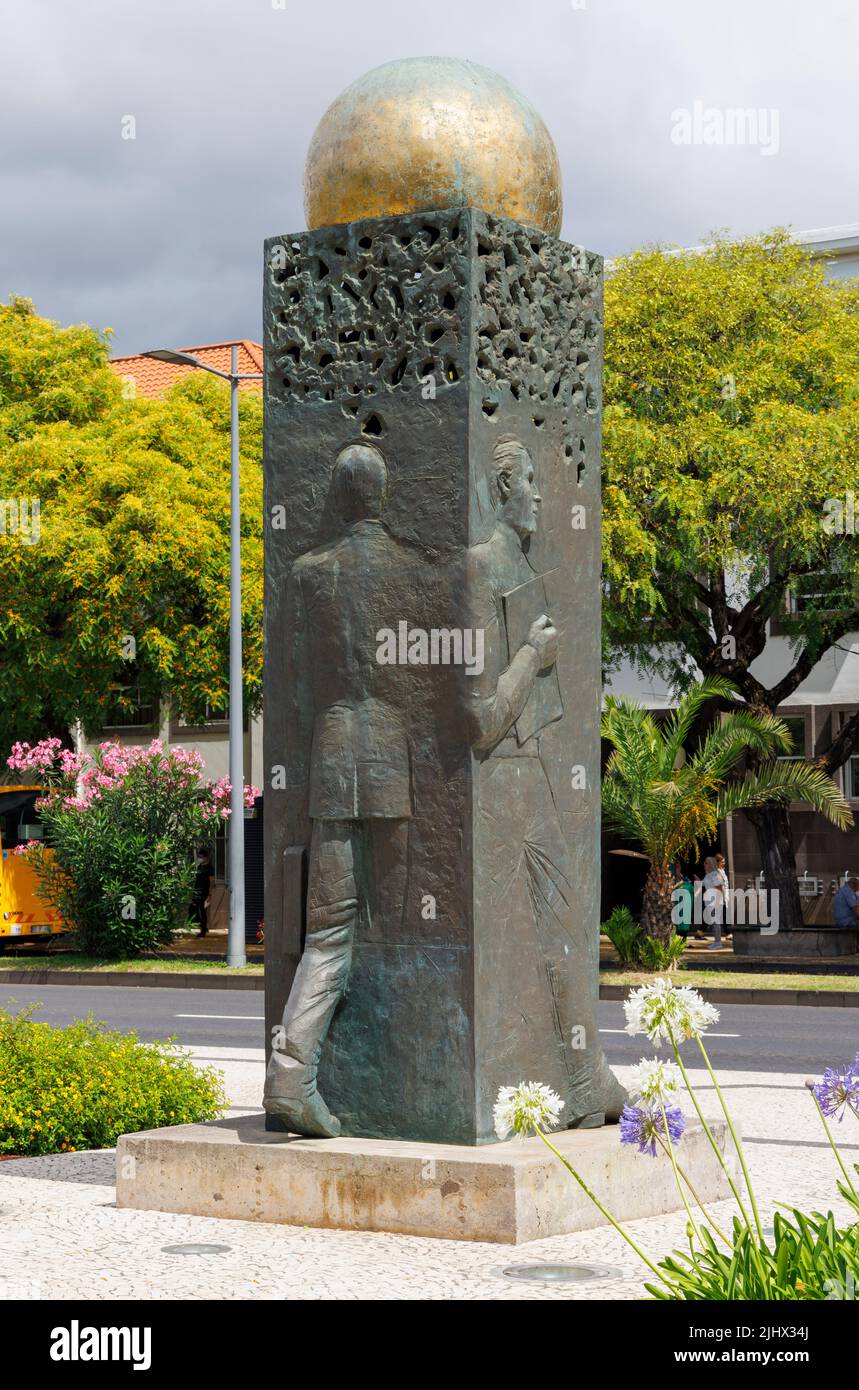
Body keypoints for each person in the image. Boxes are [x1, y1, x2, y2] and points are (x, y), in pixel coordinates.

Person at [701, 853, 731, 949]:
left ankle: (718, 943)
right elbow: (703, 885)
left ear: (710, 864)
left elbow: (719, 888)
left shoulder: (715, 875)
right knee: (715, 923)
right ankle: (716, 942)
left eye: (706, 863)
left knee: (716, 923)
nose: (704, 864)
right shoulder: (708, 875)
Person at [191, 847, 214, 937]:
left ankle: (203, 930)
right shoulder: (199, 866)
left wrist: (210, 894)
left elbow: (211, 881)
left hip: (205, 892)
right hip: (197, 892)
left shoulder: (209, 868)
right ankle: (203, 927)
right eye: (199, 856)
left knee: (203, 911)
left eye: (201, 857)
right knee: (195, 910)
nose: (199, 858)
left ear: (205, 858)